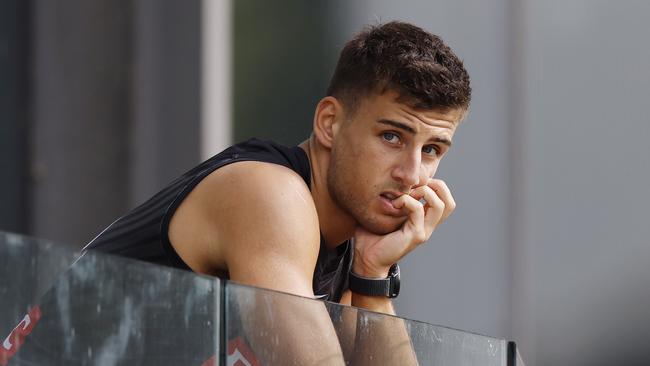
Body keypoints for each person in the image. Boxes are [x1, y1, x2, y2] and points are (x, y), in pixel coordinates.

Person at [84, 20, 471, 364]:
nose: (411, 174)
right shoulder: (268, 194)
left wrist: (373, 275)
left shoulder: (347, 247)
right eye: (391, 136)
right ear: (330, 123)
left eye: (432, 150)